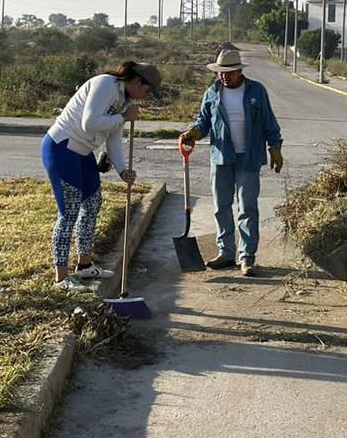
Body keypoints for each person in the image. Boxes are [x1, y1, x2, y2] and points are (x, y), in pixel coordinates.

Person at [43, 60, 161, 291]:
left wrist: (122, 169)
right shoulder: (106, 85)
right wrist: (124, 117)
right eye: (146, 91)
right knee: (69, 211)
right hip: (62, 147)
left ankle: (85, 265)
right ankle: (61, 276)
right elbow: (90, 123)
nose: (145, 97)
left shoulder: (124, 100)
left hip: (83, 152)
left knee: (93, 203)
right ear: (137, 81)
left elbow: (113, 140)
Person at [180, 47, 283, 276]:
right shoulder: (212, 93)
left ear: (239, 71)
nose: (224, 76)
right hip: (221, 157)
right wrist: (193, 134)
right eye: (221, 73)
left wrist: (274, 146)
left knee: (247, 208)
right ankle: (226, 253)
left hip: (249, 157)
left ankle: (247, 258)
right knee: (221, 207)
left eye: (229, 72)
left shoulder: (257, 91)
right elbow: (203, 122)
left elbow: (269, 121)